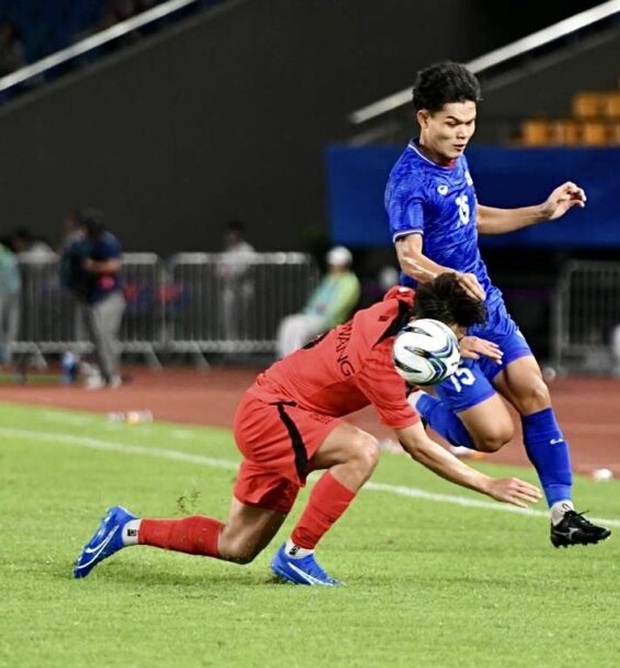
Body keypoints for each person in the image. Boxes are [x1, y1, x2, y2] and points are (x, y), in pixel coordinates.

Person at [73, 273, 542, 586]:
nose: (457, 338)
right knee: (362, 450)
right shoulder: (379, 362)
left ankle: (126, 528)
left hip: (277, 411)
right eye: (455, 330)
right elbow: (417, 445)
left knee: (236, 547)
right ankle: (298, 557)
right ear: (432, 327)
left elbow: (420, 296)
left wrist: (458, 338)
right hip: (275, 414)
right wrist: (487, 482)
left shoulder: (401, 304)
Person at [384, 61, 610, 548]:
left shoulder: (455, 161)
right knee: (490, 437)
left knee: (534, 391)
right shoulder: (408, 181)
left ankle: (563, 511)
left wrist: (542, 213)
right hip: (445, 325)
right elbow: (409, 256)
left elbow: (471, 217)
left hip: (487, 305)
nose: (463, 133)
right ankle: (420, 399)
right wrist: (451, 276)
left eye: (469, 122)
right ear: (424, 119)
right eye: (451, 123)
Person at [59, 208, 125, 389]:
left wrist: (93, 266)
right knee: (97, 337)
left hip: (109, 296)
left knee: (105, 335)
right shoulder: (80, 243)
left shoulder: (108, 241)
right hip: (91, 296)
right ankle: (105, 374)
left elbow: (114, 265)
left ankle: (111, 375)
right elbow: (69, 262)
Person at [275, 245, 360, 358]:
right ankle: (283, 359)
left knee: (300, 328)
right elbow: (315, 300)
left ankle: (294, 360)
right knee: (289, 323)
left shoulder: (350, 281)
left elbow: (341, 305)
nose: (333, 266)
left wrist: (325, 314)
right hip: (313, 316)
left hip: (328, 319)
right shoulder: (329, 278)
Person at [217, 220, 256, 344]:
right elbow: (219, 270)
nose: (229, 236)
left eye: (232, 233)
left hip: (244, 290)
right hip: (229, 290)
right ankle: (230, 345)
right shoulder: (227, 251)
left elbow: (245, 268)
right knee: (228, 319)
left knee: (244, 319)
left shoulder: (248, 250)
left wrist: (231, 273)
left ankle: (244, 345)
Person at [0, 237, 20, 367]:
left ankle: (6, 355)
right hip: (13, 291)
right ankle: (7, 355)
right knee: (10, 324)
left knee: (7, 324)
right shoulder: (9, 255)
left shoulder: (5, 254)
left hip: (6, 291)